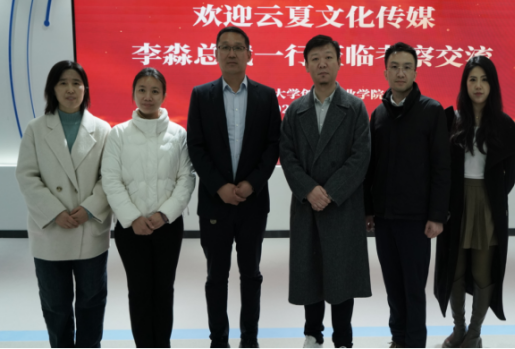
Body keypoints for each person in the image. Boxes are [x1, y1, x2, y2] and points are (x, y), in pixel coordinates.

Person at [186, 26, 281, 349]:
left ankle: (249, 339)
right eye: (224, 47)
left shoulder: (266, 96)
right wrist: (219, 186)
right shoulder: (201, 95)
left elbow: (273, 145)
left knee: (251, 274)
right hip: (215, 202)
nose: (231, 53)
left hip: (253, 202)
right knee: (216, 276)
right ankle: (219, 340)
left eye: (238, 47)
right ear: (215, 54)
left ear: (249, 54)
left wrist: (252, 183)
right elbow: (196, 146)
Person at [280, 34, 372, 349]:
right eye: (315, 58)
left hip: (341, 206)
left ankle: (343, 339)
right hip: (307, 206)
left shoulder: (355, 108)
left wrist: (329, 192)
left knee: (341, 274)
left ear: (339, 62)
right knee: (310, 273)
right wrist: (309, 190)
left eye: (328, 57)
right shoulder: (295, 110)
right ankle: (312, 334)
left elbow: (360, 157)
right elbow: (287, 156)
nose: (322, 64)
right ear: (306, 65)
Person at [15, 60, 112, 349]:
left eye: (76, 83)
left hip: (88, 228)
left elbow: (109, 177)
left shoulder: (103, 129)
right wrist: (55, 211)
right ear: (52, 89)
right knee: (55, 305)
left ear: (85, 89)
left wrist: (90, 207)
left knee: (91, 301)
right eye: (63, 83)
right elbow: (27, 175)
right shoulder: (36, 129)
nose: (70, 89)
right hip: (51, 230)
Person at [434, 56, 515, 349]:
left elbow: (509, 178)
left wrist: (491, 199)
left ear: (493, 85)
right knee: (455, 270)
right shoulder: (450, 121)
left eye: (484, 80)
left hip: (486, 204)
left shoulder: (505, 126)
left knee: (482, 272)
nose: (478, 85)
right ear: (464, 84)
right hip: (456, 204)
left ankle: (474, 334)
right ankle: (459, 329)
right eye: (472, 79)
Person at [364, 42, 451, 349]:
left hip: (417, 219)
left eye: (407, 67)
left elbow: (442, 167)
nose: (400, 72)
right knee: (393, 286)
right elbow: (371, 168)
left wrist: (437, 215)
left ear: (415, 72)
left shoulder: (431, 111)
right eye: (395, 67)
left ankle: (414, 343)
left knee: (413, 288)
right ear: (385, 72)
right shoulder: (378, 114)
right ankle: (398, 339)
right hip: (385, 217)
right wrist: (369, 209)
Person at [101, 67, 196, 348]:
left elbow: (186, 178)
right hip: (131, 229)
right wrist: (132, 217)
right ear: (133, 94)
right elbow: (111, 179)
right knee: (139, 291)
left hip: (167, 226)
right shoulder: (118, 134)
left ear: (164, 95)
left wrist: (164, 214)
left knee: (164, 291)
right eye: (142, 90)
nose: (148, 96)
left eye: (155, 91)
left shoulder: (178, 134)